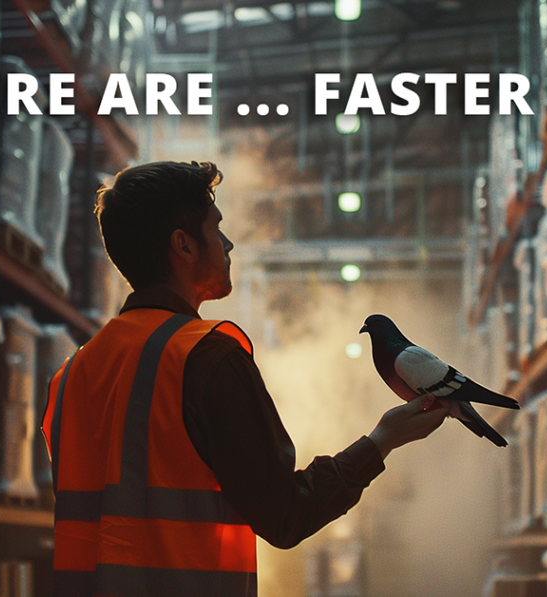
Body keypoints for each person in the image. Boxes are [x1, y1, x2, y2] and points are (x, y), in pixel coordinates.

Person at [41, 161, 448, 597]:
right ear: (184, 245)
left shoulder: (72, 374)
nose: (228, 243)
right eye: (216, 228)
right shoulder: (206, 357)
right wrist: (382, 439)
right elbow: (285, 514)